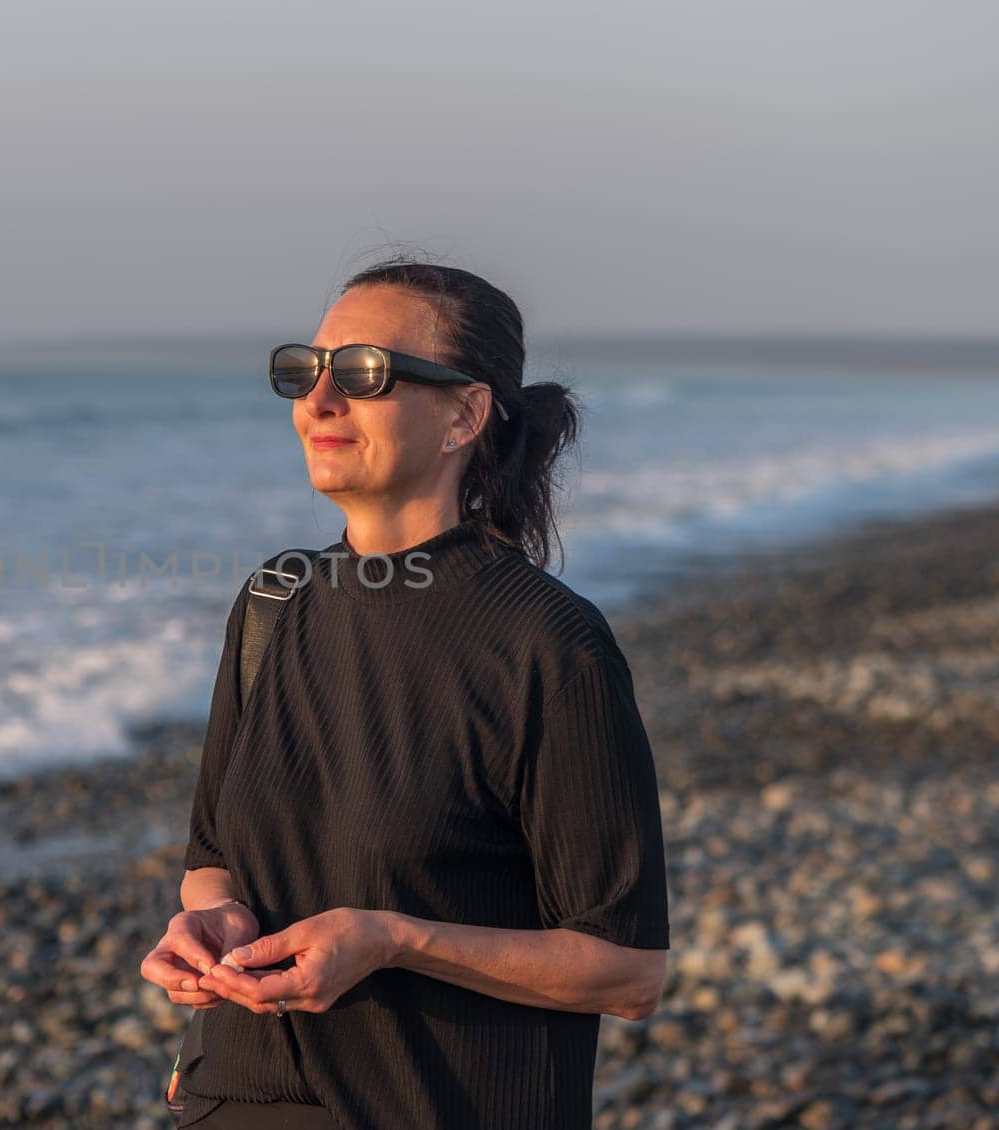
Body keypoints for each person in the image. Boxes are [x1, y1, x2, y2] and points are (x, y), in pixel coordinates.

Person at [139, 257, 672, 1129]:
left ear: (465, 412)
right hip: (235, 1101)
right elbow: (211, 857)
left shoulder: (547, 644)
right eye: (304, 372)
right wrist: (212, 924)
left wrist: (392, 940)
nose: (318, 403)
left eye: (363, 374)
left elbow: (628, 972)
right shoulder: (274, 602)